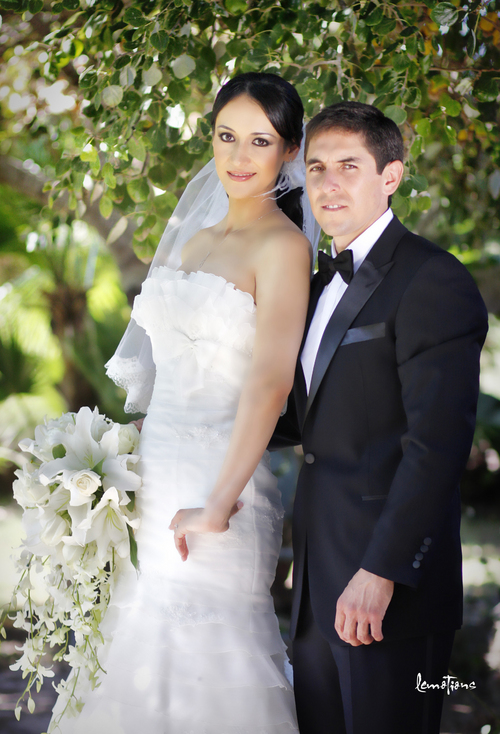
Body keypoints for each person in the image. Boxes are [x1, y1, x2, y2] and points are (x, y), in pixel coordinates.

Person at [48, 72, 319, 734]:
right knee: (137, 649)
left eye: (260, 141)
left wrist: (219, 502)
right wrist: (121, 461)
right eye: (227, 136)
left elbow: (270, 384)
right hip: (155, 478)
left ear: (288, 151)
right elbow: (171, 370)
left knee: (210, 664)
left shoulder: (284, 248)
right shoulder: (195, 240)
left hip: (220, 488)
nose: (239, 156)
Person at [272, 102, 489, 734]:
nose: (328, 184)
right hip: (316, 582)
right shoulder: (315, 285)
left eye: (349, 166)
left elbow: (437, 445)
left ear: (390, 176)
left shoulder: (432, 279)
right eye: (317, 168)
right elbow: (309, 419)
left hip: (388, 586)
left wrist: (382, 571)